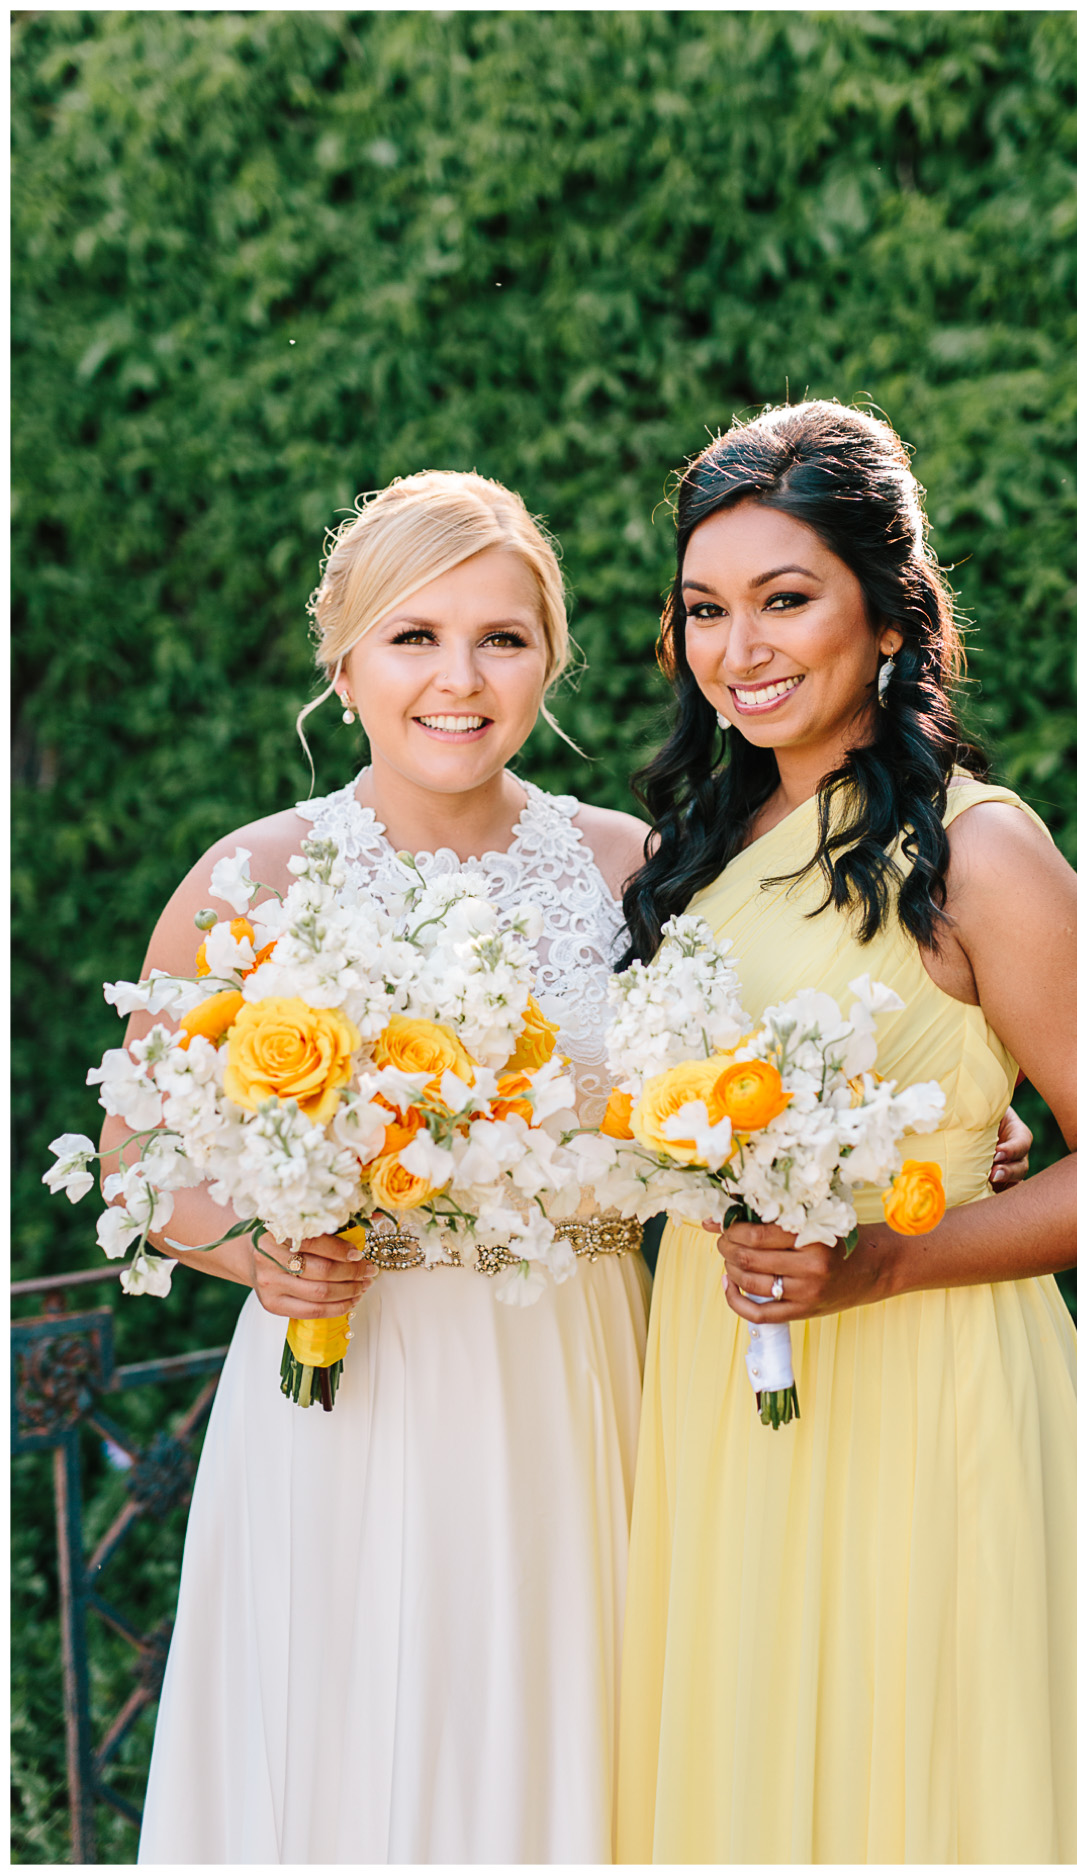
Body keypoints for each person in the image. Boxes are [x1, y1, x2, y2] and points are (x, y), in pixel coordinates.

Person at [609, 401, 1077, 1864]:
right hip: (715, 1363)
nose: (738, 647)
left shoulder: (980, 851)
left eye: (785, 598)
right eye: (704, 608)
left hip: (921, 1367)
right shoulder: (691, 857)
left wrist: (883, 1258)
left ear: (887, 615)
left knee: (912, 1775)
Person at [125, 471, 656, 1861]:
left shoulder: (635, 870)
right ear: (344, 659)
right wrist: (261, 1248)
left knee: (573, 1727)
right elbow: (141, 1148)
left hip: (581, 1375)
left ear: (552, 655)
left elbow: (736, 1089)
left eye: (503, 637)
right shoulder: (256, 874)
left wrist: (970, 1126)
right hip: (342, 1383)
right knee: (344, 1742)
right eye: (415, 636)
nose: (460, 679)